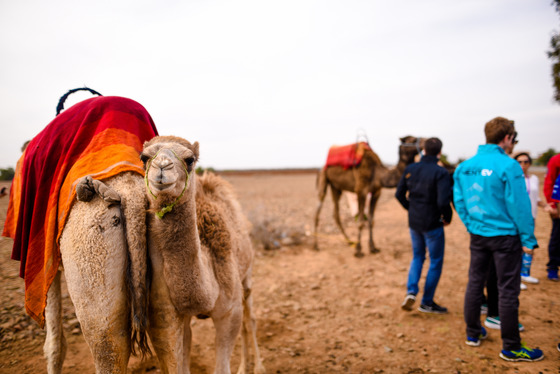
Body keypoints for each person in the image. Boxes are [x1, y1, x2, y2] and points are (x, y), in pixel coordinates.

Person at [453, 117, 543, 362]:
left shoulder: (464, 166)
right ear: (507, 138)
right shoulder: (509, 166)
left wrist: (471, 224)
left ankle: (473, 334)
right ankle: (512, 347)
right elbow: (520, 206)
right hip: (505, 238)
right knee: (507, 290)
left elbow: (459, 201)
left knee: (475, 283)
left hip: (478, 234)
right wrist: (528, 238)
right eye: (514, 139)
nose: (514, 144)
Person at [396, 137, 453, 314]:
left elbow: (399, 195)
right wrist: (448, 217)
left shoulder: (411, 169)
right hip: (432, 224)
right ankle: (427, 302)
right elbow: (444, 201)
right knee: (435, 261)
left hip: (414, 222)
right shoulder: (441, 173)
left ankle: (411, 291)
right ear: (439, 152)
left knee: (418, 257)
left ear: (423, 151)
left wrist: (410, 209)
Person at [514, 152, 546, 285]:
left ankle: (525, 273)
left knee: (529, 246)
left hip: (531, 217)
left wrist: (546, 205)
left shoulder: (534, 179)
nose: (523, 165)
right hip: (516, 218)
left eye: (526, 162)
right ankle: (515, 277)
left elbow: (536, 198)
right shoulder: (513, 178)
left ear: (530, 163)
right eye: (519, 162)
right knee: (516, 247)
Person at [543, 153, 560, 281]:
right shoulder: (556, 160)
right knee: (557, 237)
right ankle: (553, 267)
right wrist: (552, 204)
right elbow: (549, 181)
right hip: (558, 206)